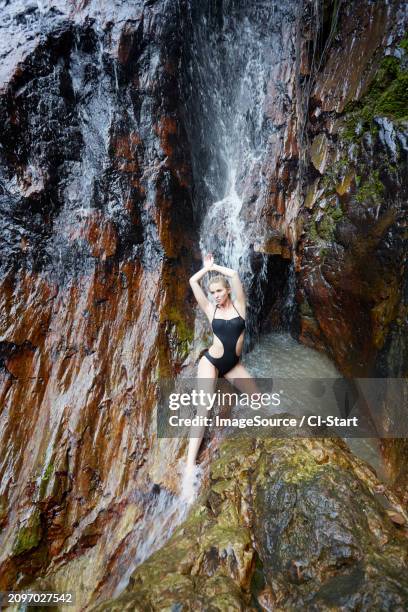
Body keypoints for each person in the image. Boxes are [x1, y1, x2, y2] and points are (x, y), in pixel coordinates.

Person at [184, 253, 257, 483]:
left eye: (219, 291)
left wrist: (216, 267)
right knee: (203, 410)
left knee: (259, 402)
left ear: (227, 291)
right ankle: (188, 468)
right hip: (212, 362)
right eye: (213, 292)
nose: (216, 296)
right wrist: (206, 270)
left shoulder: (239, 307)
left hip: (233, 365)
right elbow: (192, 282)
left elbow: (234, 275)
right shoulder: (210, 309)